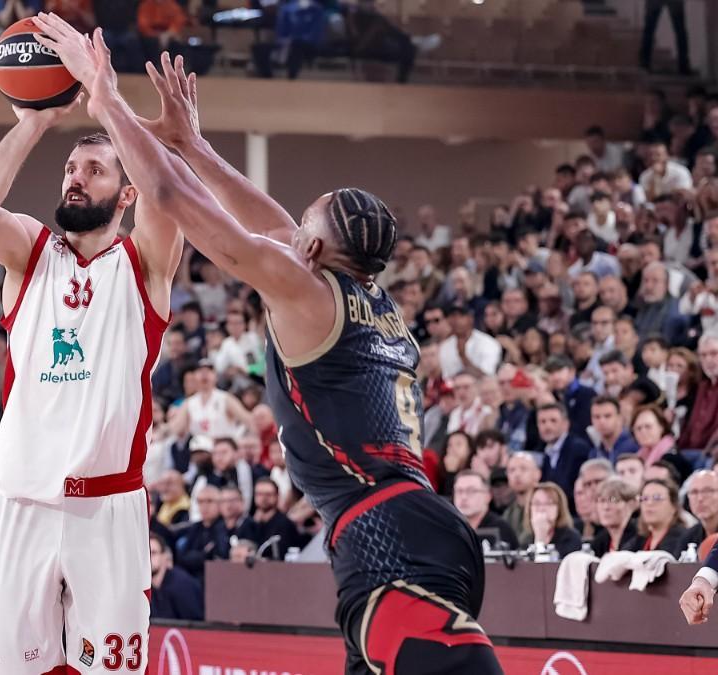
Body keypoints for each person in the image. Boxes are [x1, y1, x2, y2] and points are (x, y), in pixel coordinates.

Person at [29, 24, 497, 669]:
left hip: (385, 532)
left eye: (303, 224)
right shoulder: (370, 302)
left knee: (460, 666)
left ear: (312, 250)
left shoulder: (308, 291)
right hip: (417, 521)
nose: (288, 230)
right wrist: (191, 142)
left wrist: (104, 93)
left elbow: (168, 197)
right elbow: (269, 222)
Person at [0, 23, 184, 670]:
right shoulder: (30, 251)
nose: (75, 179)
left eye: (95, 169)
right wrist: (34, 121)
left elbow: (167, 193)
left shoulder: (148, 263)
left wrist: (106, 92)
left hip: (107, 507)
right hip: (20, 500)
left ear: (126, 192)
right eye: (70, 168)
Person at [535, 403, 591, 511]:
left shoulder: (578, 449)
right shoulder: (544, 452)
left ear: (566, 424)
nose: (547, 426)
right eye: (542, 422)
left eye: (553, 421)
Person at [234, 477, 300, 560]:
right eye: (259, 494)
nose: (264, 498)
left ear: (277, 496)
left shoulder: (285, 524)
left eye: (268, 494)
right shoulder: (247, 524)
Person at [626, 478, 696, 556]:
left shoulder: (683, 539)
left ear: (674, 506)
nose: (649, 503)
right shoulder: (638, 541)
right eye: (645, 499)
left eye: (657, 498)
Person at [453, 471, 519, 550]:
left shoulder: (500, 529)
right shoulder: (448, 527)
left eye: (471, 491)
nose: (464, 497)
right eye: (459, 491)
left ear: (488, 496)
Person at [148, 533, 204, 621]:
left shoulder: (182, 585)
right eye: (146, 553)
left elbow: (196, 624)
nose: (148, 558)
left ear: (164, 556)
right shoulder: (147, 588)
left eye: (153, 553)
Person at [520, 482, 582, 555]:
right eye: (537, 503)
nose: (542, 509)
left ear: (559, 509)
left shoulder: (570, 538)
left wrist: (540, 539)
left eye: (549, 503)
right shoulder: (526, 539)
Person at [592, 477, 638, 554]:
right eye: (602, 501)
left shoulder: (639, 537)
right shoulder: (599, 541)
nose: (606, 507)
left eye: (613, 500)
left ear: (630, 504)